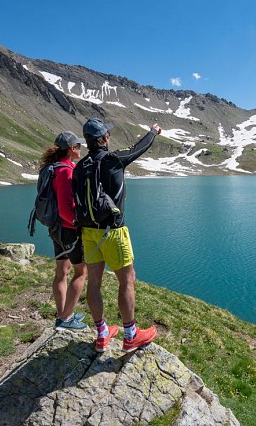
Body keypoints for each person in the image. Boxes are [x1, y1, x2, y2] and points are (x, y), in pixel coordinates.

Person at [76, 118, 162, 352]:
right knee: (127, 279)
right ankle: (130, 335)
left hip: (88, 233)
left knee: (94, 282)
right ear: (104, 139)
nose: (109, 137)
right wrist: (153, 132)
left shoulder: (79, 167)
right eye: (107, 135)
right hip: (112, 232)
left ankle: (102, 333)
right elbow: (138, 149)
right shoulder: (113, 160)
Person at [39, 131, 88, 331]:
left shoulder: (51, 168)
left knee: (62, 272)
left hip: (55, 228)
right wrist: (80, 223)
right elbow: (66, 209)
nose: (80, 149)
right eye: (77, 146)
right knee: (81, 272)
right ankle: (66, 319)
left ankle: (62, 314)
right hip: (68, 230)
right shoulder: (65, 171)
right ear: (71, 149)